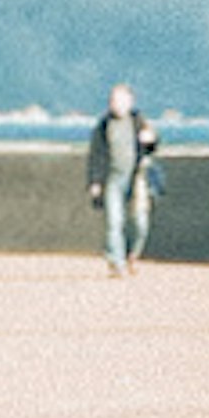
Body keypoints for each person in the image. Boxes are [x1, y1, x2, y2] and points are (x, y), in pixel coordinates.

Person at [85, 82, 158, 275]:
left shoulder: (137, 121)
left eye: (120, 100)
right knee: (114, 222)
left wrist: (151, 140)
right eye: (113, 100)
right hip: (113, 178)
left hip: (136, 178)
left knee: (140, 222)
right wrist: (95, 181)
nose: (116, 104)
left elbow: (152, 145)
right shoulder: (103, 125)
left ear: (130, 102)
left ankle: (133, 254)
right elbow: (96, 154)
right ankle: (116, 262)